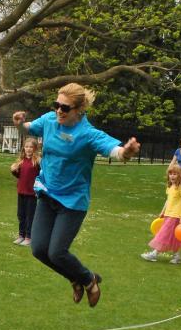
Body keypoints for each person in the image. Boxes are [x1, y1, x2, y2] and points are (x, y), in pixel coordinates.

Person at [12, 83, 140, 307]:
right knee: (39, 250)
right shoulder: (50, 121)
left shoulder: (88, 134)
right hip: (47, 193)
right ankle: (76, 278)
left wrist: (126, 152)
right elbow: (28, 129)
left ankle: (89, 280)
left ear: (79, 109)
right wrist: (20, 123)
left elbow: (115, 150)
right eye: (57, 105)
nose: (59, 111)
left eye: (65, 107)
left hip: (72, 202)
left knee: (57, 252)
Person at [141, 162, 181, 264]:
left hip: (176, 216)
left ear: (180, 175)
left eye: (175, 174)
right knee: (173, 236)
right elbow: (168, 200)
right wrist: (162, 212)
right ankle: (177, 257)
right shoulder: (169, 187)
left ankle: (154, 254)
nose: (172, 176)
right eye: (170, 173)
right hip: (168, 215)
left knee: (164, 235)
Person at [10, 137, 40, 246]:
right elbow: (19, 176)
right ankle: (21, 235)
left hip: (32, 194)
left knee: (29, 216)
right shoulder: (21, 161)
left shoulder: (37, 161)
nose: (28, 149)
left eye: (31, 147)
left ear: (35, 148)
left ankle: (29, 237)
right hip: (21, 192)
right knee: (21, 215)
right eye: (27, 146)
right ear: (24, 148)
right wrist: (13, 170)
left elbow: (42, 175)